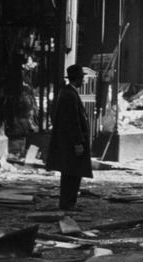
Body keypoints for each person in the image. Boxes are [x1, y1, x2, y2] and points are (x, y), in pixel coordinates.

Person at [45, 64, 93, 211]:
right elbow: (72, 121)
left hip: (68, 141)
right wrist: (78, 142)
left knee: (72, 173)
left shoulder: (67, 92)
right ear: (77, 79)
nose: (83, 81)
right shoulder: (69, 94)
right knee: (72, 173)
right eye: (82, 78)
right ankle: (67, 203)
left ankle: (70, 203)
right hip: (71, 142)